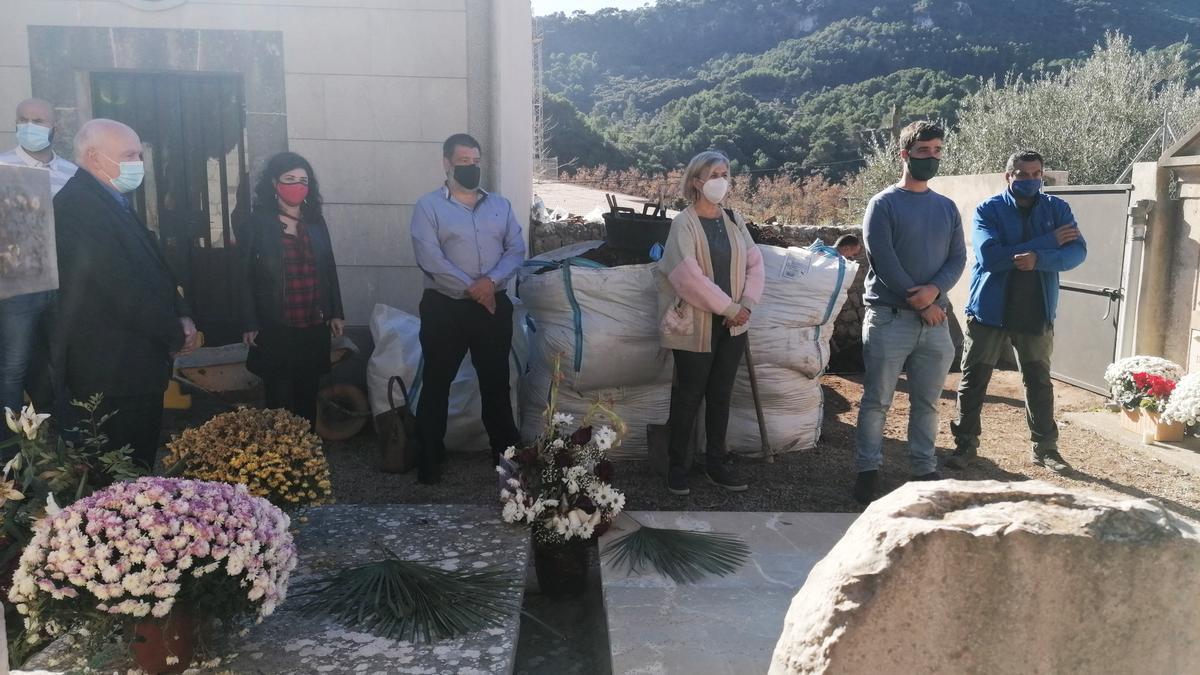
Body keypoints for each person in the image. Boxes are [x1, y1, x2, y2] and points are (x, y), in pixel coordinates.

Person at [54, 119, 199, 468]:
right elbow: (120, 288)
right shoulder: (78, 206)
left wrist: (181, 311)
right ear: (93, 156)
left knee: (140, 469)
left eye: (139, 155)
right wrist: (173, 332)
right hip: (111, 371)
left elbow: (155, 265)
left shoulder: (112, 199)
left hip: (134, 365)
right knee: (119, 478)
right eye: (129, 155)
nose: (138, 164)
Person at [947, 150, 1086, 473]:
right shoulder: (988, 210)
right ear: (1007, 176)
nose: (1030, 180)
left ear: (1042, 175)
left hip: (1036, 309)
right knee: (974, 380)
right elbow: (989, 258)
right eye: (1022, 174)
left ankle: (1046, 449)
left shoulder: (1058, 209)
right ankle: (965, 446)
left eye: (1036, 173)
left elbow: (1077, 252)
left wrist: (1039, 258)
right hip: (989, 310)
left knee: (1038, 381)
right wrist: (1048, 241)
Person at [853, 121, 966, 505]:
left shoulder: (946, 207)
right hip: (890, 318)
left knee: (928, 402)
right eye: (923, 151)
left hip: (935, 323)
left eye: (937, 151)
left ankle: (922, 467)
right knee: (877, 400)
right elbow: (882, 258)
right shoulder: (882, 204)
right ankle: (867, 470)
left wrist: (935, 292)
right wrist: (919, 300)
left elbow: (957, 258)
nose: (931, 158)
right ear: (904, 155)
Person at [410, 133, 525, 484]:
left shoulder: (500, 206)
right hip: (445, 308)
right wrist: (476, 288)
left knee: (496, 384)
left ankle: (506, 461)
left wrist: (490, 284)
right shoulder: (428, 207)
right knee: (436, 383)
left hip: (492, 309)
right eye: (464, 162)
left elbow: (516, 249)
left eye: (476, 161)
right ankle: (429, 459)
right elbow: (430, 258)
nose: (471, 168)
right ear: (447, 163)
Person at [656, 150, 765, 496]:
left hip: (733, 326)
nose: (721, 180)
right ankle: (678, 467)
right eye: (713, 174)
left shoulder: (734, 219)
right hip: (696, 325)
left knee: (721, 395)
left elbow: (755, 264)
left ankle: (716, 463)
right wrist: (729, 307)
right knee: (688, 396)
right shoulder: (683, 223)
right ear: (695, 182)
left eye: (725, 172)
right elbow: (687, 276)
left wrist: (746, 304)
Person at [239, 152, 345, 426]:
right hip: (276, 324)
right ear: (274, 183)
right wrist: (249, 320)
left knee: (307, 395)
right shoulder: (258, 223)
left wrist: (335, 311)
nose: (297, 185)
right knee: (278, 397)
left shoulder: (315, 222)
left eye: (303, 180)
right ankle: (279, 462)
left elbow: (328, 268)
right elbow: (243, 276)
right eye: (289, 179)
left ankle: (307, 456)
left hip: (312, 323)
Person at [0, 98, 78, 442]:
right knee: (13, 366)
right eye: (24, 119)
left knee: (64, 363)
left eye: (39, 120)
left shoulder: (73, 173)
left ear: (54, 128)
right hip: (18, 285)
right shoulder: (2, 167)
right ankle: (9, 444)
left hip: (67, 282)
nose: (31, 125)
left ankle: (67, 438)